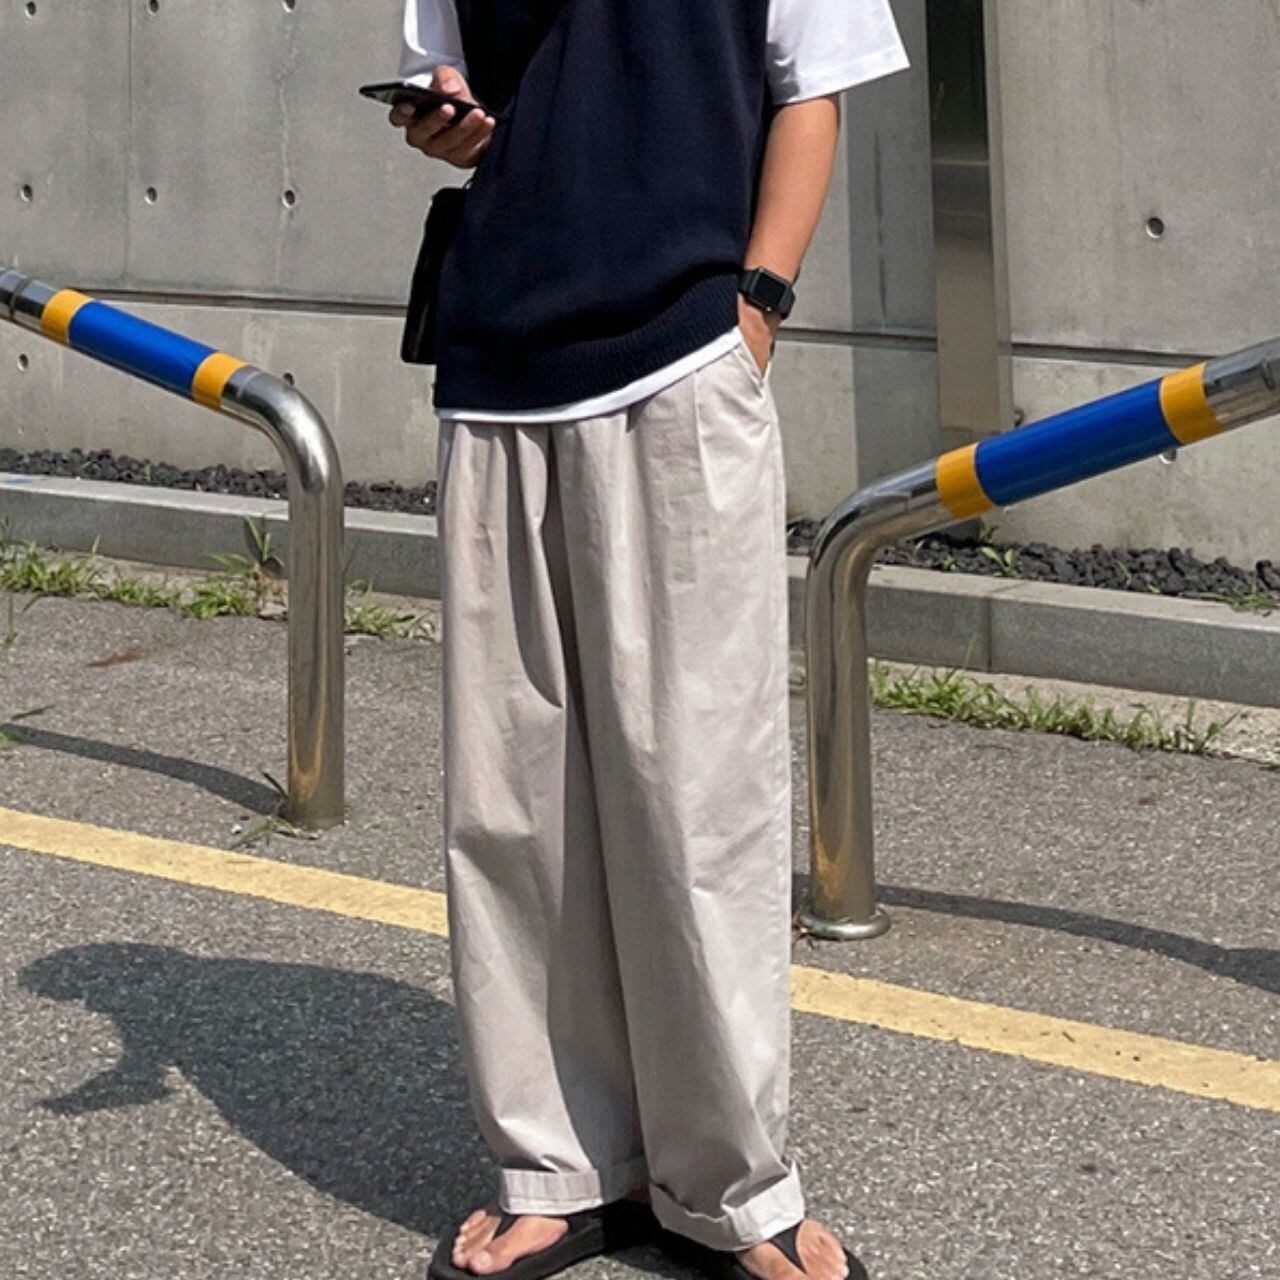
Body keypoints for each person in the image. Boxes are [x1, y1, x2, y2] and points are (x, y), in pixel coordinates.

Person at [387, 2, 909, 1278]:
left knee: (697, 791)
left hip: (680, 357)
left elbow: (813, 85)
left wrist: (756, 309)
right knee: (512, 804)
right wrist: (449, 121)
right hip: (497, 361)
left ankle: (734, 1187)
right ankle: (555, 1166)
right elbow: (456, 98)